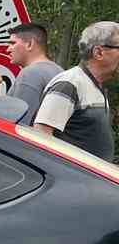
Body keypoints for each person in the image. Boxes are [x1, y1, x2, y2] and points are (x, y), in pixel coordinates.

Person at [32, 21, 119, 162]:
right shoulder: (69, 84)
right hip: (72, 181)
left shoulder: (95, 85)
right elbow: (41, 137)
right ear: (99, 52)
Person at [7, 22, 60, 125]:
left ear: (30, 44)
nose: (8, 49)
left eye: (13, 43)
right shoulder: (59, 71)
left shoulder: (30, 74)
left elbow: (19, 124)